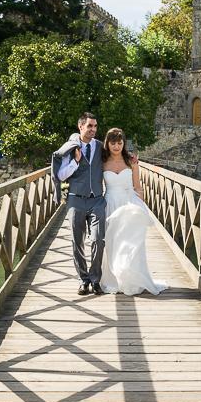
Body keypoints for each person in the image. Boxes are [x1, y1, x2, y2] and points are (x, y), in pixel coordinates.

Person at [99, 128, 168, 296]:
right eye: (113, 143)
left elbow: (137, 186)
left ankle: (132, 279)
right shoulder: (101, 162)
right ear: (107, 143)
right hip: (110, 204)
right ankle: (114, 279)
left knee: (131, 244)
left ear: (123, 144)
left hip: (129, 203)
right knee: (112, 242)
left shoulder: (131, 161)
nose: (116, 146)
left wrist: (140, 206)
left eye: (119, 143)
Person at [52, 112, 106, 295]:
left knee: (98, 239)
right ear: (80, 127)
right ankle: (83, 280)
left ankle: (95, 279)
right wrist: (75, 161)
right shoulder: (71, 148)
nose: (93, 129)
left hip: (97, 199)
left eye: (95, 126)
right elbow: (60, 175)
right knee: (77, 241)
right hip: (75, 199)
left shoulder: (100, 146)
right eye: (89, 126)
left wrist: (131, 162)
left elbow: (116, 155)